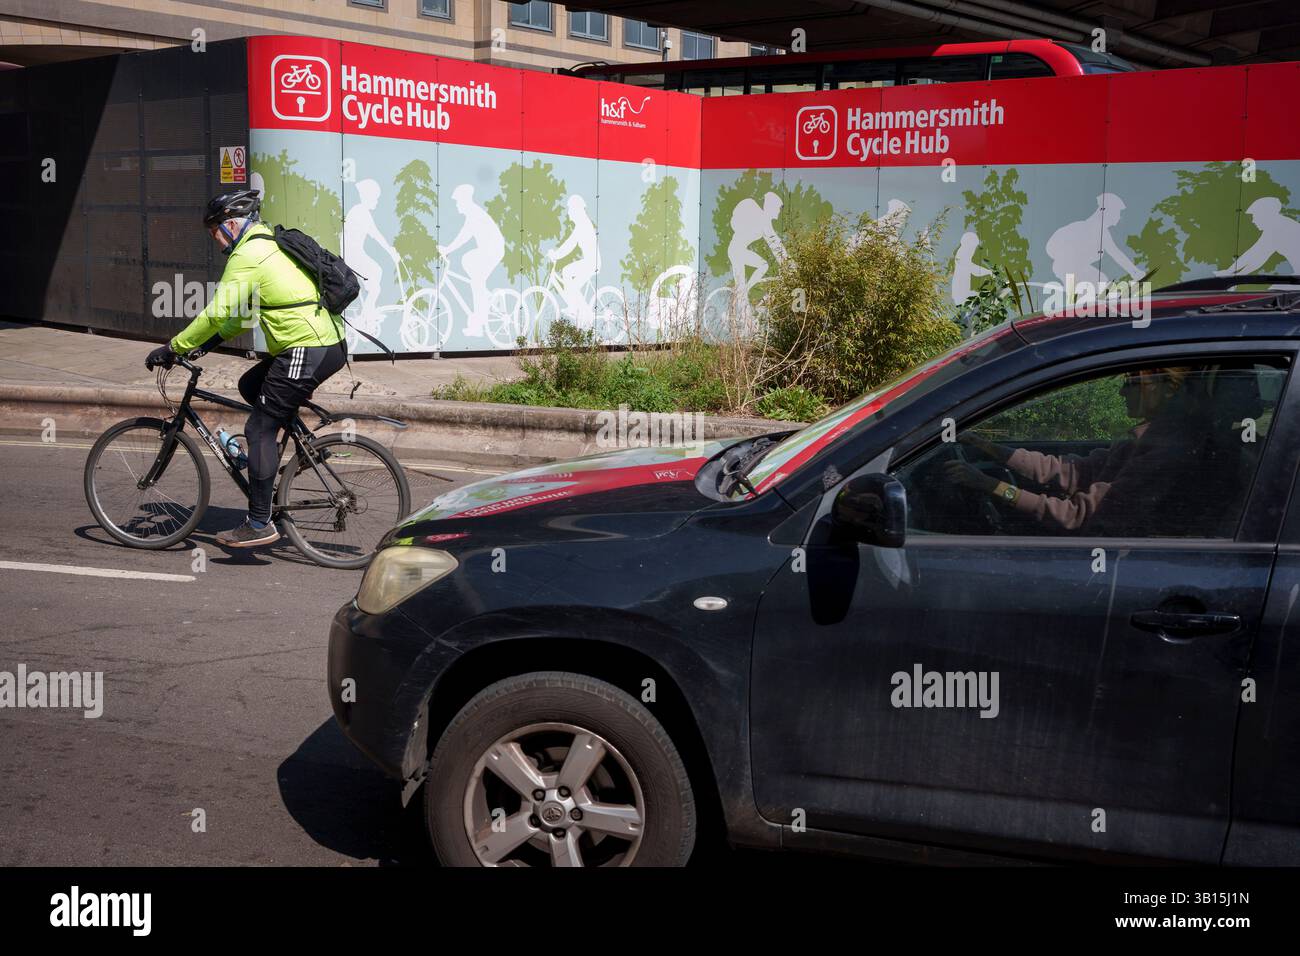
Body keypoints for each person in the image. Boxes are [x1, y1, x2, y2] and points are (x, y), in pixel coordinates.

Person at [145, 189, 347, 549]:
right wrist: (205, 345)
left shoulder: (248, 254)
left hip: (307, 346)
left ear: (232, 224)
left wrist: (174, 347)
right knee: (251, 385)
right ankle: (305, 449)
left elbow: (217, 313)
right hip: (320, 343)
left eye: (215, 231)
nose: (216, 240)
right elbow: (237, 318)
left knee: (259, 427)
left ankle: (258, 523)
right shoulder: (265, 242)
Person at [945, 367, 1196, 534]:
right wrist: (986, 446)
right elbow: (1073, 470)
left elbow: (1077, 515)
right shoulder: (1144, 438)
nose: (1121, 391)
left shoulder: (1164, 451)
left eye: (1131, 382)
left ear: (1166, 387)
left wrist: (991, 486)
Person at [438, 184, 506, 337]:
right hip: (487, 250)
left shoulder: (474, 214)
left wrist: (447, 249)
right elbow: (464, 235)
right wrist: (448, 249)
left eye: (457, 202)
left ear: (464, 201)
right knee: (470, 266)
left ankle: (478, 323)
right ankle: (487, 297)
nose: (456, 205)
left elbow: (464, 236)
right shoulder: (472, 214)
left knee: (476, 280)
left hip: (493, 250)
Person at [547, 195, 601, 325]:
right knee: (571, 284)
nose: (569, 213)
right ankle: (579, 309)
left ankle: (577, 309)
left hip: (591, 263)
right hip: (589, 262)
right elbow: (569, 243)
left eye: (570, 210)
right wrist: (557, 254)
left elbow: (569, 245)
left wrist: (556, 255)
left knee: (567, 273)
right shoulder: (582, 224)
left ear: (576, 210)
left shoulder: (583, 225)